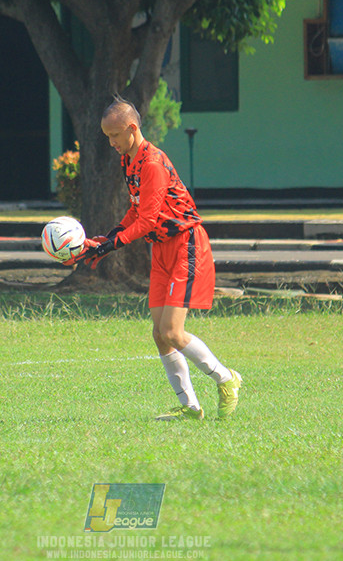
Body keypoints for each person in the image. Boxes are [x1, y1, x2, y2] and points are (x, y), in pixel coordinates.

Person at [72, 97, 241, 421]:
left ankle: (226, 378)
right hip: (161, 248)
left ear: (132, 129)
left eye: (115, 136)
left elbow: (148, 220)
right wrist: (107, 238)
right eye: (107, 137)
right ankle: (190, 407)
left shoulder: (151, 163)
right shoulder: (129, 160)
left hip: (185, 245)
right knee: (158, 333)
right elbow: (136, 210)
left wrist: (109, 246)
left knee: (173, 332)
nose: (112, 143)